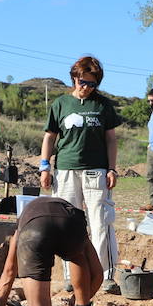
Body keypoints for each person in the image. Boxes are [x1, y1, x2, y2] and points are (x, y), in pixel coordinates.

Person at [39, 55, 120, 293]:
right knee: (67, 224)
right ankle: (70, 275)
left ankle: (105, 276)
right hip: (65, 171)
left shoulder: (103, 106)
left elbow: (111, 140)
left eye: (92, 84)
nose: (86, 88)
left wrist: (112, 168)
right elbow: (50, 137)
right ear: (74, 78)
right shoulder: (61, 104)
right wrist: (45, 166)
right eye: (82, 82)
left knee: (100, 222)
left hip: (96, 171)